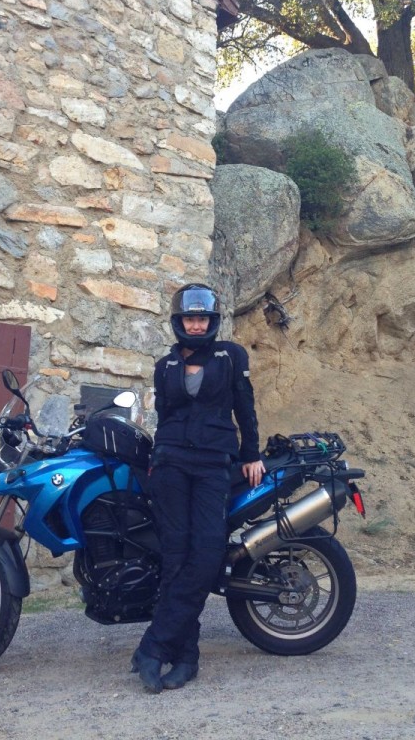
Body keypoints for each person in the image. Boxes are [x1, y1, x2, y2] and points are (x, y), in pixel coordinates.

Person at [131, 283, 266, 693]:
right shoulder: (165, 366)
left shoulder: (231, 356)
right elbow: (165, 418)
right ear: (179, 322)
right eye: (189, 318)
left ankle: (153, 645)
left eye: (202, 318)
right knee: (175, 556)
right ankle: (186, 657)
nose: (195, 324)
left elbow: (245, 405)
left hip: (212, 465)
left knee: (206, 554)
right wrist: (156, 460)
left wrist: (251, 454)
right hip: (171, 465)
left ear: (212, 321)